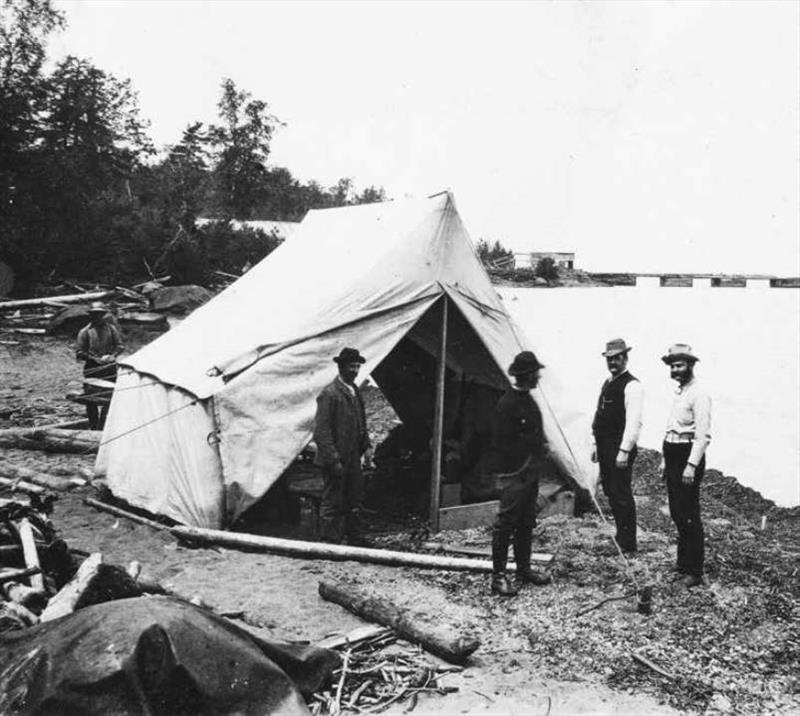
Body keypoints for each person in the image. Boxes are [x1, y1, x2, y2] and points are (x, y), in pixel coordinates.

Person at [489, 350, 552, 597]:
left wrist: (541, 444)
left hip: (531, 472)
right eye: (536, 372)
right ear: (526, 375)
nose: (539, 376)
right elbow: (501, 443)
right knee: (505, 524)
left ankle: (523, 569)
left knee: (526, 522)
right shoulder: (507, 403)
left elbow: (535, 430)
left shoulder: (529, 400)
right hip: (515, 473)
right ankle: (498, 577)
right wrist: (526, 453)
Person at [661, 343, 712, 588]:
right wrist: (664, 460)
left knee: (689, 514)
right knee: (677, 512)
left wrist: (691, 465)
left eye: (679, 365)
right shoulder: (680, 392)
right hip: (672, 453)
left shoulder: (699, 393)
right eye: (672, 366)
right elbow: (672, 427)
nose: (675, 370)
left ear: (690, 365)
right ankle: (683, 564)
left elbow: (702, 436)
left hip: (686, 455)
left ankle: (694, 571)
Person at [590, 338, 644, 554]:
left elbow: (634, 423)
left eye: (617, 358)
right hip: (604, 446)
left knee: (621, 493)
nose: (612, 362)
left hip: (619, 448)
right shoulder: (607, 383)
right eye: (609, 358)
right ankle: (620, 535)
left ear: (625, 358)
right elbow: (599, 415)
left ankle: (628, 542)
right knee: (611, 492)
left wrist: (624, 451)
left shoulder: (632, 386)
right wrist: (596, 443)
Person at [313, 347, 371, 546]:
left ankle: (355, 538)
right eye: (351, 366)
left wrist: (367, 447)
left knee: (354, 498)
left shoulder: (355, 391)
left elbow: (361, 422)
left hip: (353, 456)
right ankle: (329, 542)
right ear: (341, 367)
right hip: (336, 459)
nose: (354, 370)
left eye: (357, 366)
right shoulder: (329, 394)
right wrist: (333, 460)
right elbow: (321, 432)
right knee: (333, 501)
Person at [75, 301, 125, 429]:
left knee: (109, 397)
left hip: (109, 368)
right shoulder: (85, 331)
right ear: (91, 315)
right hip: (93, 369)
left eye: (100, 314)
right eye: (94, 314)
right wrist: (95, 359)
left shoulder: (111, 329)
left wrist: (112, 356)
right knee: (91, 399)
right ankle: (93, 425)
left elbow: (120, 346)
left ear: (103, 315)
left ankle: (103, 425)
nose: (97, 317)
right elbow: (80, 352)